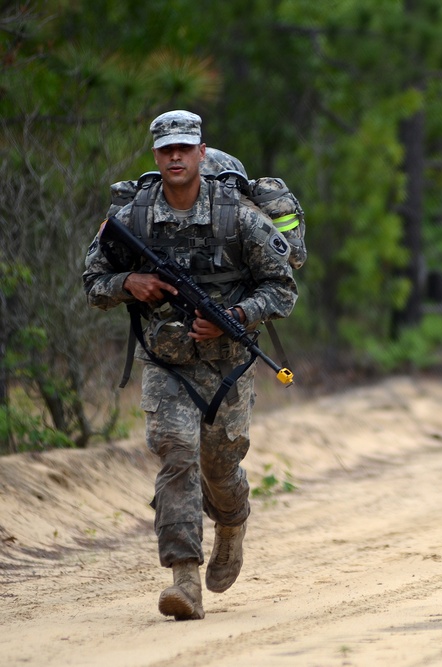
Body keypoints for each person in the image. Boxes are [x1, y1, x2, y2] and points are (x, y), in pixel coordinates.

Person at [83, 110, 297, 621]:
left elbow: (282, 287)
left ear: (201, 153)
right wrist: (126, 284)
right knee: (176, 455)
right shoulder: (131, 219)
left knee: (219, 467)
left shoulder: (238, 218)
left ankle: (231, 523)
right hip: (167, 362)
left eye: (185, 148)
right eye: (166, 150)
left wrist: (236, 316)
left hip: (227, 366)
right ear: (155, 157)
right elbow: (92, 281)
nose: (175, 157)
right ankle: (184, 578)